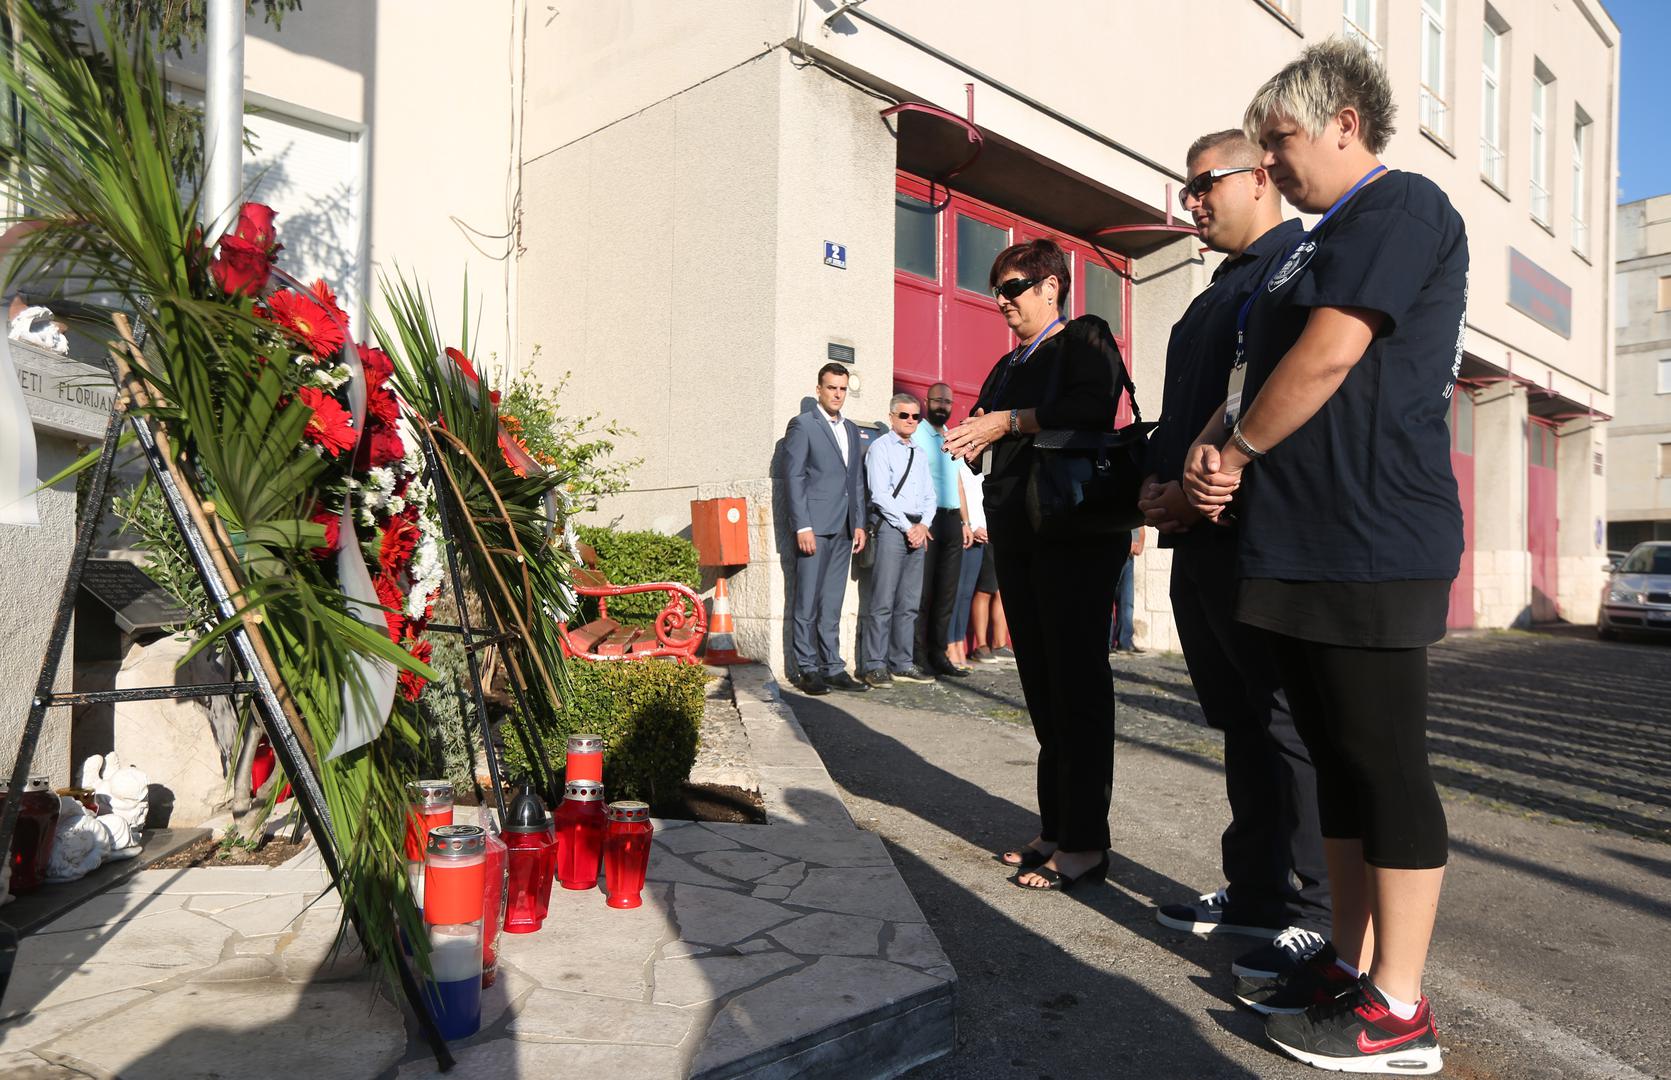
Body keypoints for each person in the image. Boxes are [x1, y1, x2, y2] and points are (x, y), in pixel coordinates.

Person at [1185, 40, 1464, 1075]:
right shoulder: (1308, 244)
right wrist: (1213, 448)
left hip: (1371, 537)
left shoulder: (1402, 207)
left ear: (1345, 122)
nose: (1269, 161)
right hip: (1296, 540)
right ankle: (1350, 966)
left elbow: (1333, 349)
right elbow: (1258, 368)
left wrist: (1236, 451)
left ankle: (1400, 1010)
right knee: (1338, 765)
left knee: (1385, 765)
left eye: (1281, 138)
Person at [1138, 129, 1332, 984]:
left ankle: (1318, 912)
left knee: (1286, 724)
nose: (1191, 201)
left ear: (1259, 178)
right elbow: (1190, 407)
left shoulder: (1292, 269)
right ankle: (1254, 889)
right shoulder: (1217, 286)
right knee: (1240, 723)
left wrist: (1204, 486)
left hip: (1252, 532)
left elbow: (1270, 396)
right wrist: (1153, 484)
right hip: (1198, 538)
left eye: (1203, 183)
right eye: (1186, 188)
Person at [943, 238, 1126, 892]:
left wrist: (1006, 423)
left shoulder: (1084, 336)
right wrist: (974, 436)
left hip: (1073, 532)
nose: (1002, 300)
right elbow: (989, 426)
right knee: (1043, 687)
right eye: (996, 289)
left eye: (1013, 286)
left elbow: (1091, 406)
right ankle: (1056, 828)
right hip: (1018, 532)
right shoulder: (1006, 364)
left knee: (1077, 685)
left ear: (1051, 286)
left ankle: (1085, 844)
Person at [783, 362, 872, 696]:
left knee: (832, 602)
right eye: (832, 388)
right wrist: (802, 525)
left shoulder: (850, 429)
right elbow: (794, 477)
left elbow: (855, 481)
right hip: (815, 527)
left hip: (845, 527)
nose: (837, 394)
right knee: (807, 600)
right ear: (819, 389)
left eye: (842, 388)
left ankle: (832, 666)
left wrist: (859, 522)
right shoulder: (803, 425)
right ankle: (807, 669)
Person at [860, 393, 939, 688]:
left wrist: (924, 525)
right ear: (892, 417)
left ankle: (902, 662)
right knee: (883, 600)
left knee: (909, 602)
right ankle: (874, 665)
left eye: (915, 416)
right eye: (904, 415)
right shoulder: (880, 448)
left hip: (918, 528)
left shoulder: (919, 452)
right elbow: (879, 494)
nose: (910, 421)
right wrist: (909, 527)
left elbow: (930, 495)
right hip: (893, 528)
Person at [912, 382, 975, 678]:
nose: (942, 406)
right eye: (938, 401)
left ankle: (939, 654)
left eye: (947, 402)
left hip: (951, 521)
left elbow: (958, 481)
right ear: (927, 402)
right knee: (924, 593)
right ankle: (918, 655)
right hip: (929, 519)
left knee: (947, 592)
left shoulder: (951, 435)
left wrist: (965, 522)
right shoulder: (918, 434)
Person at [947, 455, 988, 668]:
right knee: (954, 592)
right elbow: (961, 497)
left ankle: (958, 643)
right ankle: (949, 645)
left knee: (965, 594)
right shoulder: (957, 464)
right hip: (965, 531)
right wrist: (970, 526)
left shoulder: (983, 466)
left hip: (982, 535)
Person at [1110, 528, 1146, 654]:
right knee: (1108, 599)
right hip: (1113, 551)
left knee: (1127, 601)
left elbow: (1141, 523)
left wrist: (1141, 541)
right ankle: (1107, 643)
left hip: (1129, 556)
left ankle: (1125, 642)